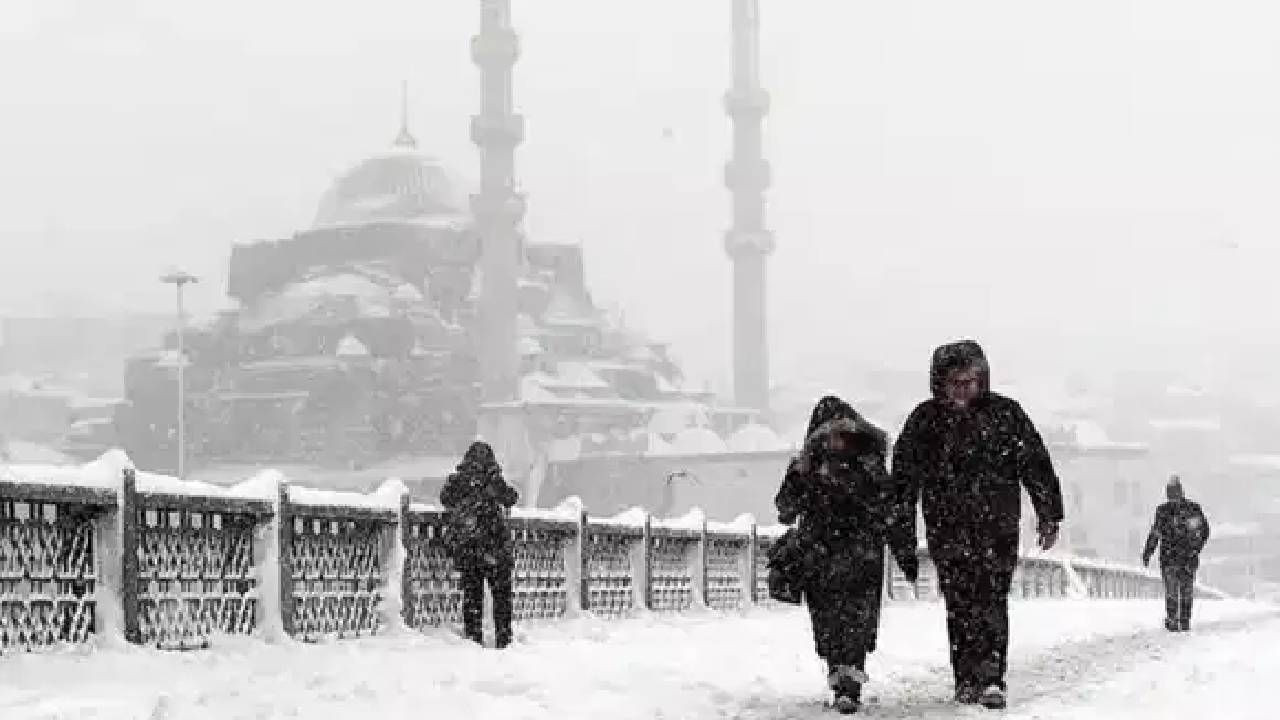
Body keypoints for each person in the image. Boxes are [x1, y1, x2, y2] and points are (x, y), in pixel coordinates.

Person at [890, 340, 1064, 709]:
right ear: (940, 383)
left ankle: (990, 676)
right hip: (947, 527)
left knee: (991, 599)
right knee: (959, 602)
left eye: (970, 382)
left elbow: (1035, 463)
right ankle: (966, 677)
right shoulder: (925, 421)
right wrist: (901, 532)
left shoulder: (1005, 414)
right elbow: (903, 482)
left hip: (997, 527)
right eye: (956, 383)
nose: (964, 390)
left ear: (982, 379)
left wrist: (1049, 514)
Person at [776, 396, 919, 715]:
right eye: (829, 435)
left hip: (858, 557)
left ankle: (848, 683)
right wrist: (797, 477)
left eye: (841, 434)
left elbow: (890, 511)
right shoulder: (810, 468)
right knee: (829, 623)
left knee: (856, 623)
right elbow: (785, 510)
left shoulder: (868, 465)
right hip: (823, 557)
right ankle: (840, 675)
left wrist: (905, 553)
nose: (836, 442)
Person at [439, 440, 519, 648]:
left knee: (472, 597)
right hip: (494, 547)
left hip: (469, 549)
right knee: (501, 597)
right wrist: (493, 482)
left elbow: (445, 498)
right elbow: (511, 497)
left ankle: (473, 639)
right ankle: (503, 638)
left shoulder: (459, 480)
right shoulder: (493, 481)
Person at [1142, 475, 1211, 632]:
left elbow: (1204, 531)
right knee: (1178, 589)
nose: (1173, 498)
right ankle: (1178, 619)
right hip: (1181, 558)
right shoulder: (1184, 510)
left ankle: (1179, 619)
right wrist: (1148, 551)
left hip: (1178, 557)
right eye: (1171, 494)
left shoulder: (1175, 511)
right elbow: (1156, 533)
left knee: (1179, 589)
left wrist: (1148, 552)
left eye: (1174, 493)